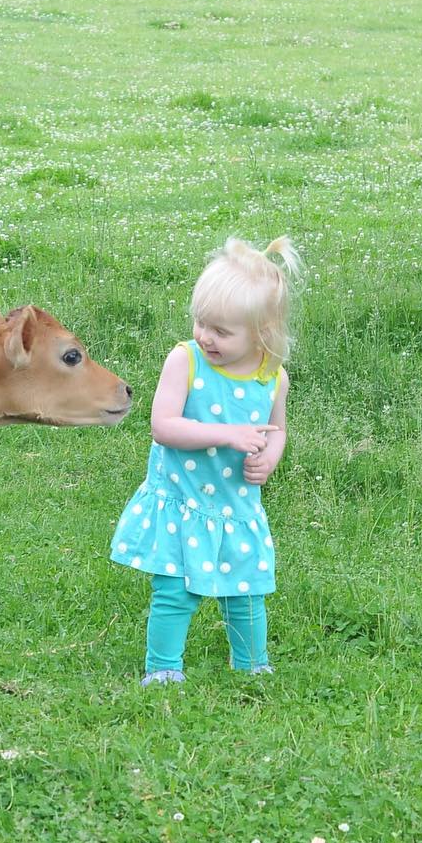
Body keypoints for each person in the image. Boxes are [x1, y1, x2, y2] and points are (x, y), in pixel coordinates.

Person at [110, 236, 300, 685]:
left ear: (261, 333)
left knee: (247, 592)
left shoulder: (272, 377)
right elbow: (164, 426)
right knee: (174, 591)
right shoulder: (186, 361)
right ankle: (163, 668)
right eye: (201, 322)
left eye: (221, 331)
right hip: (184, 498)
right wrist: (227, 434)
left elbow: (278, 431)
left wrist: (270, 457)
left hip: (238, 506)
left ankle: (252, 664)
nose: (205, 336)